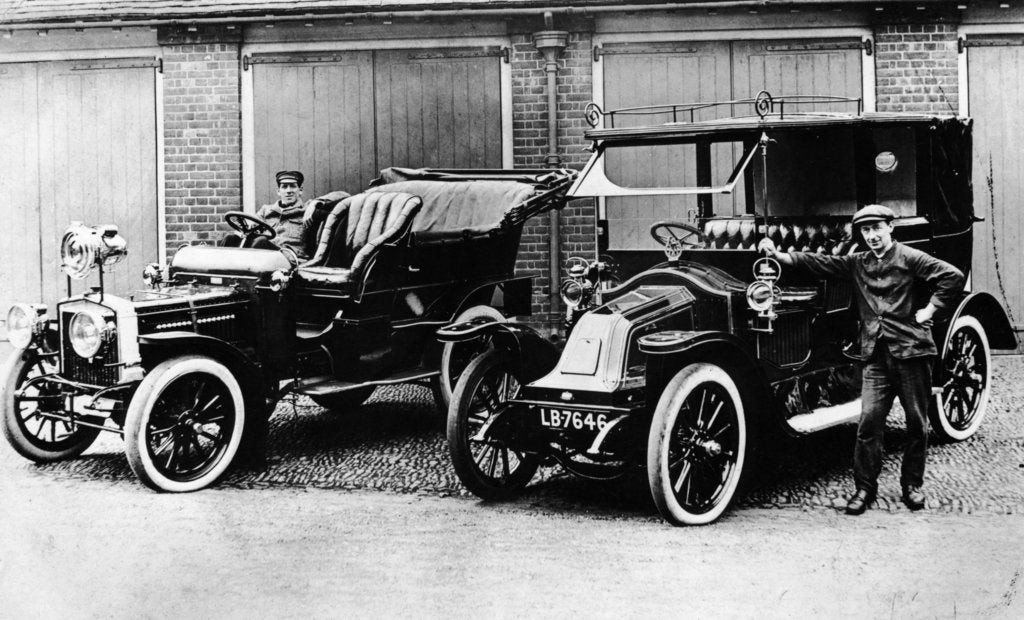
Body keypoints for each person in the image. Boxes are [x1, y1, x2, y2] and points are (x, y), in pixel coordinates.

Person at [764, 204, 965, 515]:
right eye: (866, 230)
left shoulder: (910, 257)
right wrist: (780, 256)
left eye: (877, 228)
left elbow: (952, 276)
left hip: (912, 352)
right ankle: (864, 489)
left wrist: (930, 309)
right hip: (875, 356)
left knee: (916, 424)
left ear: (890, 228)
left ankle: (912, 486)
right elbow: (821, 262)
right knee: (869, 423)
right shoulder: (858, 262)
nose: (872, 236)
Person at [224, 170, 347, 263]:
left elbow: (344, 195)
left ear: (300, 190)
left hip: (290, 258)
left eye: (293, 186)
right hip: (265, 257)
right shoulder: (266, 210)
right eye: (284, 187)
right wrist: (245, 228)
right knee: (230, 238)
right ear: (278, 191)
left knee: (261, 242)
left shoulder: (308, 209)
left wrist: (317, 202)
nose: (289, 191)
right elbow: (251, 226)